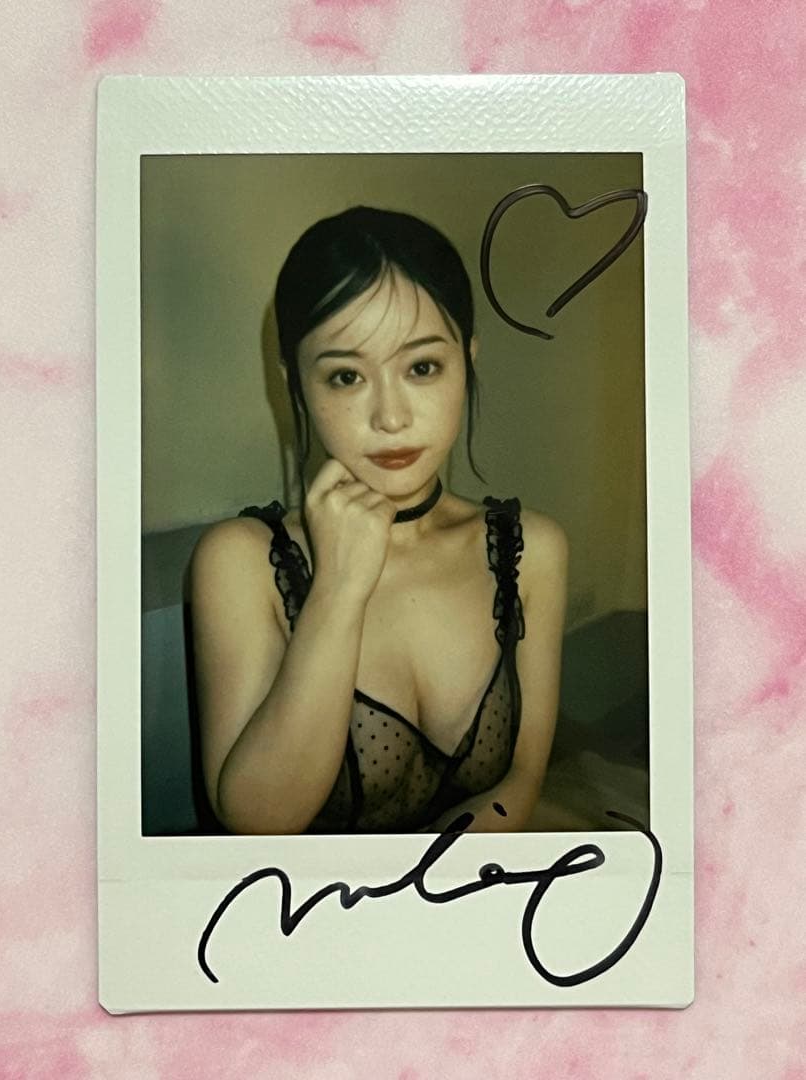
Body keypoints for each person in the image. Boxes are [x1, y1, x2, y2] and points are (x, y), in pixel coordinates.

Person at [189, 205, 568, 835]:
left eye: (422, 367)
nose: (390, 417)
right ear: (296, 385)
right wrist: (338, 589)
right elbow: (258, 822)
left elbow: (519, 782)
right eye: (345, 376)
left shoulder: (530, 552)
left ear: (467, 361)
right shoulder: (241, 561)